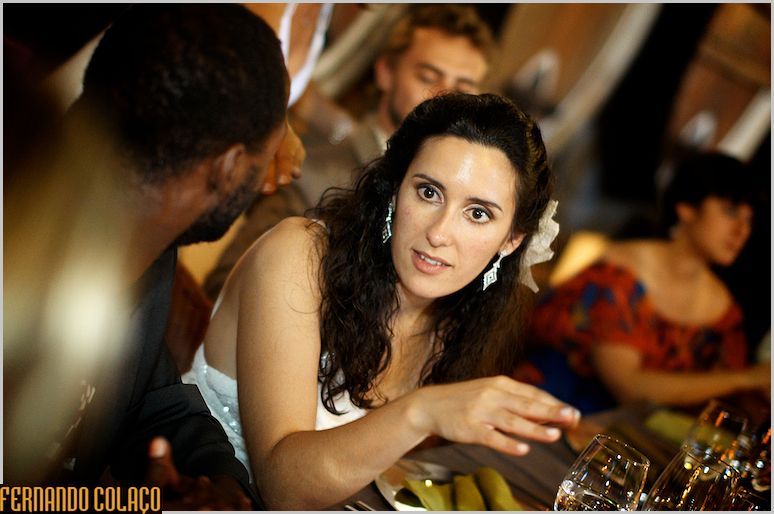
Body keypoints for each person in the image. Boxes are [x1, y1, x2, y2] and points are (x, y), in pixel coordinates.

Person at [183, 92, 579, 509]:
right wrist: (422, 411)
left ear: (512, 239)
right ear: (394, 191)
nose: (440, 232)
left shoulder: (457, 320)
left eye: (478, 213)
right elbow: (282, 489)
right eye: (428, 193)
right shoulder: (299, 255)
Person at [5, 5, 291, 510]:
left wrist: (220, 485)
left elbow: (151, 401)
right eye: (266, 158)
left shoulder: (147, 251)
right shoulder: (22, 266)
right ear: (227, 169)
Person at [203, 4, 495, 300]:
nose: (445, 97)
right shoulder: (310, 173)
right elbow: (227, 287)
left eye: (463, 86)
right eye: (429, 76)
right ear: (385, 73)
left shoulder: (470, 210)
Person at [523, 152, 771, 414]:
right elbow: (627, 386)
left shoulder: (724, 310)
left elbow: (729, 405)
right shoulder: (619, 271)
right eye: (730, 211)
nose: (742, 231)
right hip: (541, 413)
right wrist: (747, 377)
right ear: (686, 208)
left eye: (749, 219)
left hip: (626, 440)